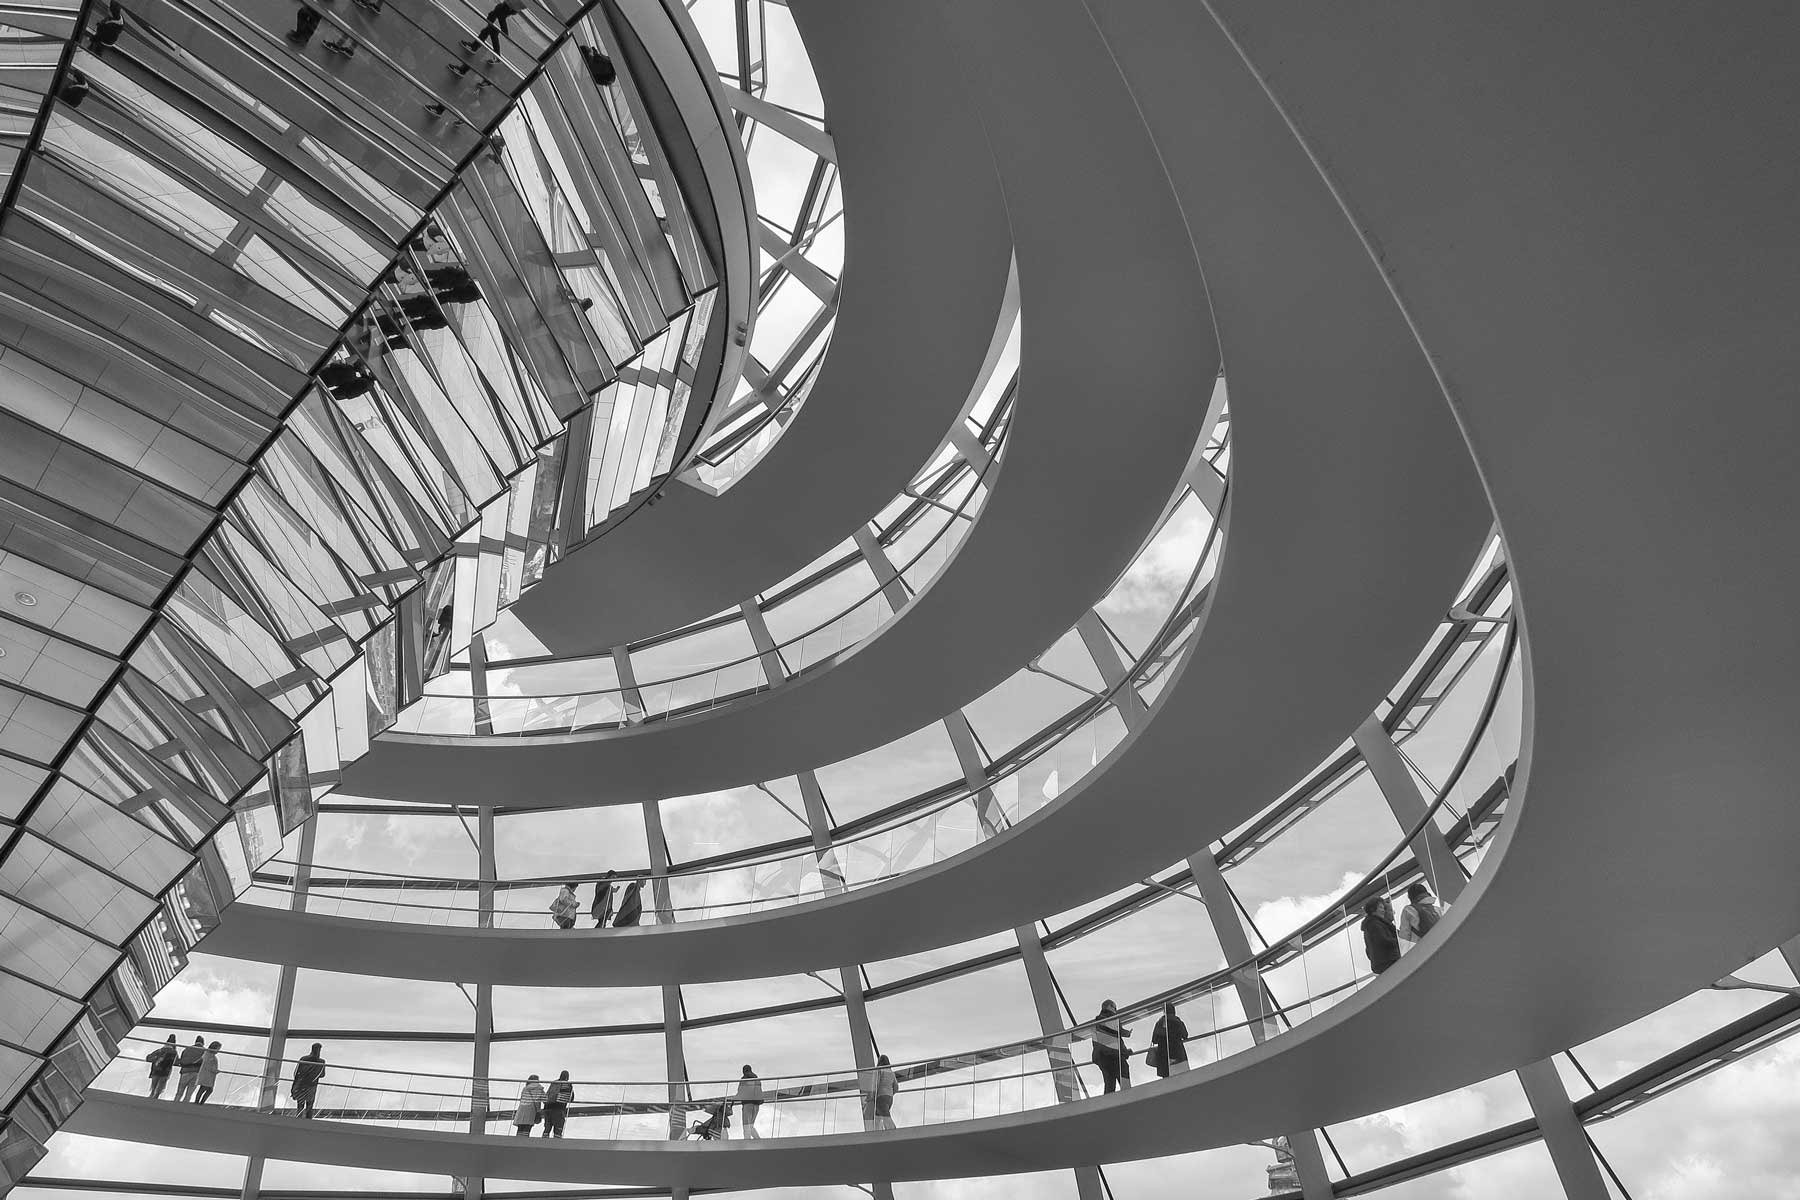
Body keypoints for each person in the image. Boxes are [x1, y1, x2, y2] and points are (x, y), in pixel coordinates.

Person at [1091, 1000, 1132, 1094]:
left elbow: (1100, 1040)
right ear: (1109, 1006)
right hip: (1113, 1055)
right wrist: (1125, 1052)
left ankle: (1108, 1100)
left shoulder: (1096, 1023)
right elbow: (1115, 1037)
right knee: (1124, 1077)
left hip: (1101, 1057)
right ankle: (1128, 1097)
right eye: (1114, 1007)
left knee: (1109, 1083)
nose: (1115, 1010)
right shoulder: (1113, 1018)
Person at [1148, 1001, 1189, 1078]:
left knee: (1166, 1078)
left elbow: (1154, 1040)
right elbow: (1185, 1035)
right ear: (1173, 1011)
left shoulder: (1160, 1023)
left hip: (1163, 1055)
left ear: (1164, 1011)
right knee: (1182, 1077)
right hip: (1177, 1053)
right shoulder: (1178, 1021)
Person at [1362, 896, 1401, 975]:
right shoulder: (1374, 924)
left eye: (1383, 908)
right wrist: (1400, 941)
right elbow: (1384, 940)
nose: (1383, 910)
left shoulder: (1372, 924)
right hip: (1388, 961)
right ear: (1373, 909)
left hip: (1383, 963)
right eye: (1380, 907)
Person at [292, 1043, 327, 1118]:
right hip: (311, 1085)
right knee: (309, 1105)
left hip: (301, 1084)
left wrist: (295, 1085)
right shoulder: (321, 1061)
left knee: (300, 1105)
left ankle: (298, 1119)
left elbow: (296, 1073)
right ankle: (308, 1120)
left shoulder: (303, 1059)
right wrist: (313, 1074)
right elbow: (322, 1074)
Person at [540, 1070, 572, 1137]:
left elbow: (548, 1093)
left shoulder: (554, 1083)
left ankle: (544, 1141)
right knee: (558, 1130)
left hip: (548, 1107)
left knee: (547, 1129)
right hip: (558, 1108)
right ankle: (556, 1141)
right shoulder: (567, 1084)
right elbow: (570, 1098)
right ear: (567, 1077)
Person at [734, 1065, 763, 1139]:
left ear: (744, 1071)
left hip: (747, 1104)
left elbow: (740, 1091)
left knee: (746, 1125)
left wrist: (733, 1099)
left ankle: (747, 1141)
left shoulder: (744, 1078)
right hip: (756, 1105)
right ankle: (758, 1140)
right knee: (751, 1126)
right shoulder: (757, 1079)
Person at [173, 1036, 205, 1101]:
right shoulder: (204, 1051)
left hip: (185, 1071)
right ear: (203, 1043)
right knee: (189, 1094)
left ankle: (175, 1103)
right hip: (196, 1072)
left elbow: (182, 1060)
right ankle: (184, 1105)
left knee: (179, 1092)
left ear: (195, 1041)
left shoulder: (187, 1049)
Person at [146, 1035, 177, 1099]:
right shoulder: (174, 1052)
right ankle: (155, 1098)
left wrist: (156, 1060)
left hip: (156, 1070)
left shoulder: (159, 1050)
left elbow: (148, 1058)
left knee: (153, 1087)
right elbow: (177, 1062)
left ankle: (151, 1096)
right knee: (160, 1087)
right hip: (166, 1071)